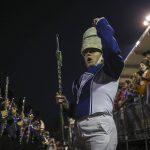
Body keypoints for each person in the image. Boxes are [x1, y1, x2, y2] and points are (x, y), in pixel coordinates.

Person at [56, 17, 124, 150]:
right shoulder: (78, 81)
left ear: (102, 52)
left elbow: (112, 50)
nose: (88, 54)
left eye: (93, 50)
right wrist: (67, 106)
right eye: (85, 51)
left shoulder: (109, 69)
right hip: (79, 130)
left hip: (99, 127)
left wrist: (102, 24)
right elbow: (78, 110)